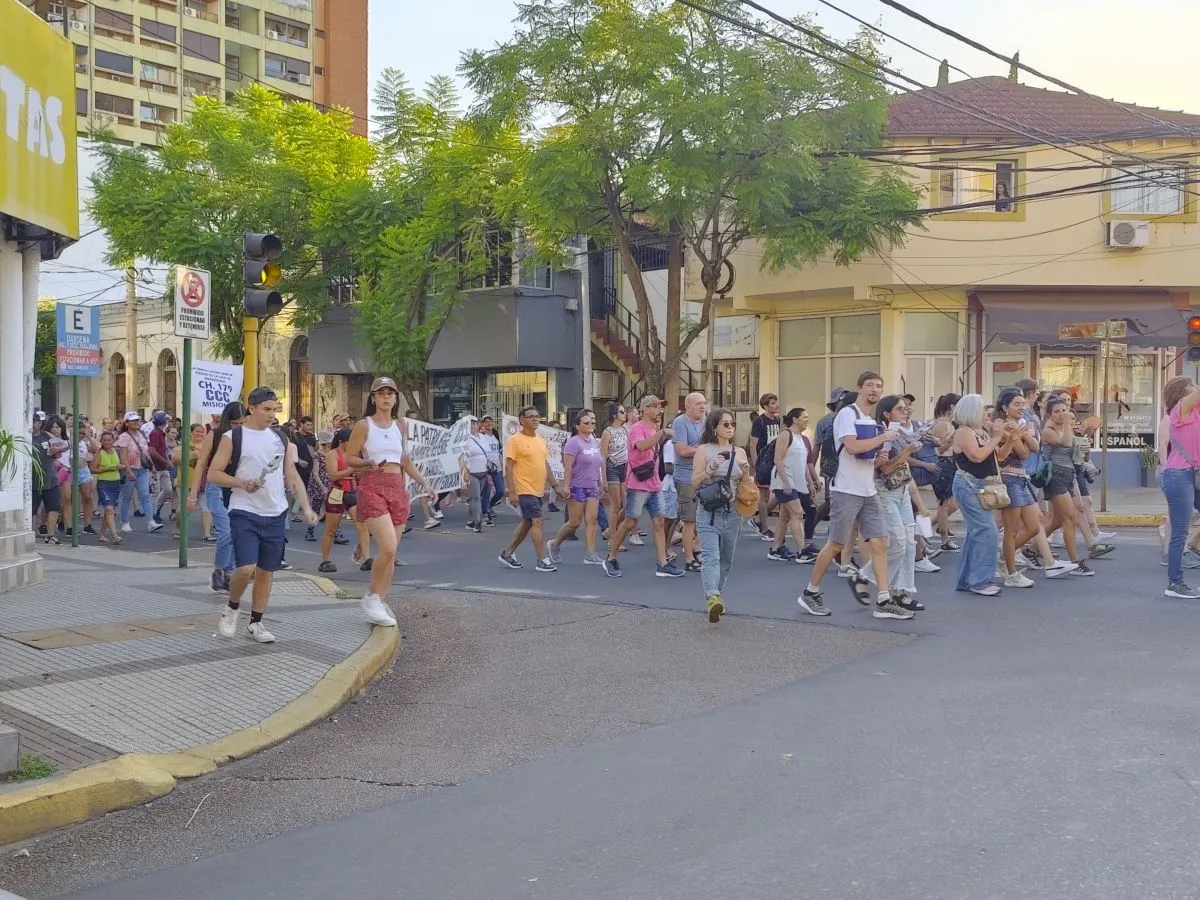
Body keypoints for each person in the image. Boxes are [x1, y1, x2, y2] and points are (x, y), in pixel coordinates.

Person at [798, 371, 914, 619]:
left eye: (879, 386)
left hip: (868, 489)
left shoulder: (871, 421)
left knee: (880, 541)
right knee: (837, 543)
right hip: (846, 489)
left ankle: (883, 600)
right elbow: (851, 446)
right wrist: (882, 438)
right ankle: (811, 592)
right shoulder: (847, 414)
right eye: (870, 385)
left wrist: (879, 457)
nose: (874, 389)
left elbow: (867, 458)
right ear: (860, 388)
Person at [207, 387, 319, 643]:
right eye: (267, 409)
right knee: (246, 568)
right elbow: (214, 474)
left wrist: (306, 506)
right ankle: (232, 607)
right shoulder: (232, 437)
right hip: (244, 510)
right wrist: (241, 482)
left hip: (275, 512)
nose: (271, 414)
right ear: (252, 408)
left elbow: (290, 474)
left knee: (267, 571)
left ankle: (256, 622)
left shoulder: (280, 438)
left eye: (274, 409)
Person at [344, 377, 431, 626]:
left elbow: (404, 459)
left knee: (390, 554)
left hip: (397, 486)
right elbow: (350, 458)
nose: (385, 397)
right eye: (380, 393)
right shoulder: (364, 425)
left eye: (390, 393)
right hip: (372, 484)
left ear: (395, 398)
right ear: (373, 398)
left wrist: (424, 484)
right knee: (389, 547)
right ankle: (371, 595)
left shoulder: (400, 425)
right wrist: (366, 462)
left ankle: (380, 600)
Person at [994, 389, 1077, 584]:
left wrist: (1023, 436)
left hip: (1022, 478)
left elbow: (1035, 446)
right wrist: (1020, 437)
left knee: (1034, 525)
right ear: (1005, 408)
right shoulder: (1003, 426)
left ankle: (1003, 558)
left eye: (1023, 404)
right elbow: (1023, 453)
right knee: (1012, 529)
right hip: (1009, 478)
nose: (1022, 407)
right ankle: (1011, 573)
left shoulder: (1021, 424)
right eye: (1016, 404)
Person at [604, 395, 684, 578]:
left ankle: (662, 563)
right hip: (638, 484)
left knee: (659, 522)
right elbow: (641, 446)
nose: (659, 411)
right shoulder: (637, 429)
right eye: (655, 407)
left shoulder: (653, 428)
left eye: (660, 407)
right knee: (629, 522)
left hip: (654, 484)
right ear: (646, 409)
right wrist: (661, 433)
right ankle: (611, 557)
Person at [950, 393, 1019, 596]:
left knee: (976, 532)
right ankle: (980, 581)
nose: (986, 413)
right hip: (968, 484)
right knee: (986, 530)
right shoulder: (964, 432)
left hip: (981, 486)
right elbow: (977, 456)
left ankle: (967, 579)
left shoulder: (981, 432)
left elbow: (998, 456)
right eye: (982, 409)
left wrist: (1009, 441)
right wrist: (997, 437)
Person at [692, 408, 753, 622]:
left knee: (726, 559)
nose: (730, 428)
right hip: (709, 512)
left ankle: (718, 596)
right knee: (711, 557)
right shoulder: (704, 450)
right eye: (725, 424)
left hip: (733, 512)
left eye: (732, 424)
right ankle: (712, 597)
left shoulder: (741, 452)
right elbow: (695, 481)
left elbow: (746, 486)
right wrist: (711, 467)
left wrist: (745, 473)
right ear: (714, 427)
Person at [860, 396, 922, 605]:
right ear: (887, 413)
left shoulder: (899, 431)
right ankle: (880, 583)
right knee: (899, 542)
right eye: (900, 409)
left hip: (902, 489)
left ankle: (902, 590)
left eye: (906, 408)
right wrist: (908, 451)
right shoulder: (880, 433)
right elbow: (886, 468)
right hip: (886, 491)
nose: (905, 412)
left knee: (909, 543)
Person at [499, 406, 566, 572]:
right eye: (531, 417)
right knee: (538, 520)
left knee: (527, 523)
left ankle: (507, 553)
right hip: (523, 489)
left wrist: (555, 486)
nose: (535, 419)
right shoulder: (515, 440)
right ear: (521, 420)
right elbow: (508, 467)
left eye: (537, 416)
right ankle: (541, 559)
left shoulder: (540, 440)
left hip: (537, 490)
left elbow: (545, 465)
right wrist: (512, 491)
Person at [188, 402, 244, 594]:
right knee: (226, 531)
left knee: (237, 532)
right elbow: (201, 463)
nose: (238, 427)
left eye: (241, 423)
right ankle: (220, 570)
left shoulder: (247, 436)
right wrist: (193, 495)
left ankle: (229, 572)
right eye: (235, 423)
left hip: (237, 488)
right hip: (216, 488)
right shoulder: (216, 434)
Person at [1040, 395, 1093, 578]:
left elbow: (1076, 455)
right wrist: (1068, 425)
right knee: (1071, 518)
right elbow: (1064, 443)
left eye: (1064, 410)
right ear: (1049, 414)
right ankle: (1074, 561)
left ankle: (1030, 549)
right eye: (1057, 411)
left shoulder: (1066, 429)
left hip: (1068, 475)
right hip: (1055, 475)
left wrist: (1085, 450)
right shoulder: (1048, 430)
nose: (1062, 414)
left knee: (1056, 520)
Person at [1159, 376, 1200, 598]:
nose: (1195, 387)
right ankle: (1174, 583)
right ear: (1183, 392)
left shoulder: (1195, 412)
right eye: (1192, 385)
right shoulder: (1180, 411)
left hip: (1193, 474)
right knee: (1180, 532)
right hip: (1178, 475)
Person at [547, 409, 605, 565]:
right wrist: (566, 486)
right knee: (574, 522)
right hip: (577, 486)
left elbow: (597, 463)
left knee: (592, 520)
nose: (591, 424)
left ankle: (591, 554)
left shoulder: (593, 439)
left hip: (592, 486)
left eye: (592, 422)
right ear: (577, 426)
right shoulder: (573, 442)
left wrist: (600, 483)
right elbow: (568, 466)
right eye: (586, 423)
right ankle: (555, 544)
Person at [318, 428, 372, 573]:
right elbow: (334, 475)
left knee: (362, 525)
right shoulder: (332, 454)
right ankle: (325, 559)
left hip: (353, 491)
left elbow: (359, 475)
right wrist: (352, 469)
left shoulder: (356, 454)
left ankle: (366, 557)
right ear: (342, 442)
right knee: (331, 529)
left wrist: (364, 469)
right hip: (337, 492)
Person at [769, 408, 815, 563]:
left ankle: (775, 549)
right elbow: (777, 459)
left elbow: (803, 464)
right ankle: (802, 551)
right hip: (784, 481)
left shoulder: (801, 438)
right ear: (795, 419)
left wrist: (810, 482)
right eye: (804, 417)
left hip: (796, 482)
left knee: (785, 516)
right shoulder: (785, 434)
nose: (807, 420)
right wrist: (785, 481)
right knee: (797, 513)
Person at [670, 392, 708, 573]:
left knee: (703, 517)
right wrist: (703, 450)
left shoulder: (706, 421)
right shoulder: (680, 423)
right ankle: (688, 558)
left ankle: (698, 548)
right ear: (688, 406)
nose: (702, 406)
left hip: (705, 475)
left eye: (704, 403)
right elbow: (682, 451)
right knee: (690, 520)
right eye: (698, 404)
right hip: (686, 477)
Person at [115, 412, 162, 534]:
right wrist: (128, 471)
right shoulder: (124, 437)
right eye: (133, 421)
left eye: (137, 420)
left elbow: (145, 453)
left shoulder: (142, 435)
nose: (136, 422)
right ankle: (125, 522)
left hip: (142, 469)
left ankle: (151, 522)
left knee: (145, 495)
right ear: (127, 423)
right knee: (126, 497)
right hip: (130, 468)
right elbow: (123, 456)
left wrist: (152, 466)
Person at [747, 393, 781, 540]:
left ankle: (760, 519)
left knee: (779, 493)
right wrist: (756, 464)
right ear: (766, 406)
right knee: (764, 496)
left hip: (775, 460)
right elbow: (753, 445)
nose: (776, 405)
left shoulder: (778, 420)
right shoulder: (759, 422)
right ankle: (764, 528)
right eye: (773, 403)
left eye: (776, 402)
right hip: (764, 462)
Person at [813, 388, 847, 528]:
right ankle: (810, 527)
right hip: (830, 466)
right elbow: (816, 446)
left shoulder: (851, 419)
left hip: (848, 464)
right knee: (830, 501)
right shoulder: (824, 422)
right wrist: (811, 473)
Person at [600, 403, 630, 542]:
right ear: (614, 415)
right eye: (622, 412)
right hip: (612, 467)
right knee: (615, 505)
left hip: (624, 466)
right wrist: (604, 479)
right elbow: (603, 456)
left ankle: (610, 531)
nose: (625, 414)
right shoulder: (608, 432)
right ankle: (613, 538)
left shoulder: (625, 430)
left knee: (626, 503)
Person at [90, 430, 122, 543]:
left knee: (109, 510)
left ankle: (102, 534)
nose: (107, 442)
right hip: (104, 483)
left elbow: (120, 464)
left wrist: (121, 467)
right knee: (109, 509)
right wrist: (106, 469)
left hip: (116, 483)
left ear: (113, 441)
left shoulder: (116, 451)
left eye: (109, 440)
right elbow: (93, 469)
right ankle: (114, 535)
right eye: (104, 440)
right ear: (101, 441)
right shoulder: (100, 453)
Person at [464, 417, 492, 533]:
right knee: (476, 498)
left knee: (474, 497)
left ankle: (470, 520)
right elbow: (462, 456)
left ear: (478, 425)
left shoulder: (483, 437)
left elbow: (489, 452)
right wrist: (465, 471)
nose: (472, 426)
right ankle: (478, 521)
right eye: (470, 424)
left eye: (474, 423)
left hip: (484, 471)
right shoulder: (464, 440)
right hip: (472, 472)